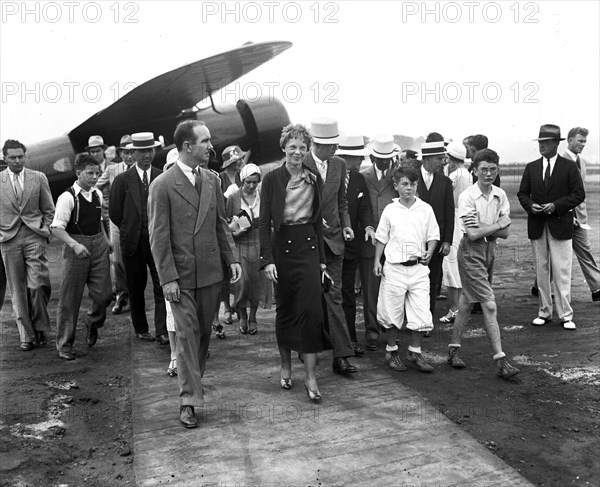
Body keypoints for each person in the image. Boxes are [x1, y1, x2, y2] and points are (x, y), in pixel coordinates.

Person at [148, 120, 240, 429]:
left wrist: (232, 259)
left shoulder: (212, 181)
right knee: (186, 337)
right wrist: (168, 278)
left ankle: (192, 390)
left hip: (211, 274)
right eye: (204, 141)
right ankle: (188, 400)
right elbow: (158, 237)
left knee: (201, 337)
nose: (210, 147)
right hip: (181, 279)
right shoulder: (162, 185)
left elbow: (220, 224)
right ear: (187, 147)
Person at [259, 123, 332, 402]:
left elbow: (317, 222)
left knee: (312, 313)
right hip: (283, 251)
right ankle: (286, 364)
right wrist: (267, 260)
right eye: (293, 147)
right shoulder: (271, 179)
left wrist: (322, 263)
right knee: (287, 311)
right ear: (284, 148)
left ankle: (311, 378)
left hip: (309, 249)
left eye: (303, 147)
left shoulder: (314, 178)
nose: (298, 152)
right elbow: (264, 222)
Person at [448, 149, 520, 379]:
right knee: (489, 305)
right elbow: (471, 233)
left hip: (490, 250)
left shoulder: (500, 194)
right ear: (474, 170)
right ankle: (501, 361)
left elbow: (507, 233)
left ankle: (453, 349)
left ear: (497, 169)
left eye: (492, 169)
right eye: (483, 169)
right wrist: (498, 224)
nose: (488, 173)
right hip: (470, 252)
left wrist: (491, 228)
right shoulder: (467, 196)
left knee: (467, 301)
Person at [304, 117, 357, 375]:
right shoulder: (298, 164)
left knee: (334, 297)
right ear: (316, 144)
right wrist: (313, 221)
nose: (335, 149)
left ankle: (342, 355)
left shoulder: (339, 165)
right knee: (309, 298)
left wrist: (346, 224)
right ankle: (307, 348)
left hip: (335, 241)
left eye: (336, 145)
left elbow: (342, 201)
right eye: (330, 145)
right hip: (309, 243)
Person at [517, 124, 585, 330]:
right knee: (542, 269)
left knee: (562, 270)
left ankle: (566, 315)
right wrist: (531, 207)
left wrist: (556, 206)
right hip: (537, 225)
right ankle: (544, 312)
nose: (542, 146)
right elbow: (522, 194)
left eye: (546, 143)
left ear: (557, 143)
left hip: (560, 225)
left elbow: (578, 195)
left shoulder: (569, 167)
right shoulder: (531, 167)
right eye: (540, 143)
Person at [374, 166, 438, 373]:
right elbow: (381, 237)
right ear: (396, 186)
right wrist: (377, 261)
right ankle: (391, 352)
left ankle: (414, 352)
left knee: (420, 312)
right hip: (394, 268)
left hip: (418, 268)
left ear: (416, 185)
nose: (408, 188)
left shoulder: (425, 209)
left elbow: (433, 235)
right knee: (392, 313)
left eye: (412, 184)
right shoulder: (390, 210)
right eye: (404, 184)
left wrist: (430, 250)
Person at [51, 154, 113, 360]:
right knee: (70, 299)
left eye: (97, 173)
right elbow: (57, 229)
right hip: (75, 247)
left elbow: (100, 221)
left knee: (104, 295)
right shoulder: (67, 197)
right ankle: (64, 345)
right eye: (90, 173)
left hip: (98, 246)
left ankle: (92, 322)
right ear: (78, 173)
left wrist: (107, 240)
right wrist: (75, 245)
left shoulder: (97, 194)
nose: (95, 177)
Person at [109, 132, 168, 344]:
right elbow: (115, 212)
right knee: (136, 287)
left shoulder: (162, 177)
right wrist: (129, 229)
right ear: (133, 153)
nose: (146, 155)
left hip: (158, 242)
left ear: (154, 151)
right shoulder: (122, 180)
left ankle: (162, 330)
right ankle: (141, 328)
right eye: (141, 151)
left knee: (162, 285)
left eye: (149, 150)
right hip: (132, 242)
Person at [0, 139, 54, 351]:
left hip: (34, 236)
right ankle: (27, 335)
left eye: (20, 156)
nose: (17, 161)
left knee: (38, 284)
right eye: (12, 157)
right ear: (4, 158)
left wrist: (46, 230)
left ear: (25, 156)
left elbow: (49, 209)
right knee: (17, 291)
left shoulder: (38, 177)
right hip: (8, 240)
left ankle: (40, 326)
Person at [359, 135, 400, 351]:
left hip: (394, 241)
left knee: (393, 288)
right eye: (380, 158)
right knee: (370, 289)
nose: (384, 162)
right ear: (372, 156)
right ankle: (372, 331)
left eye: (388, 159)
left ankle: (391, 328)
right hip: (370, 241)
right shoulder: (363, 177)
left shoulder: (398, 178)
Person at [336, 136, 375, 355]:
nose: (360, 161)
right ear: (343, 157)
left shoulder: (359, 180)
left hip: (351, 247)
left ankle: (350, 338)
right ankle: (328, 337)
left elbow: (365, 208)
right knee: (329, 293)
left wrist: (368, 226)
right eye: (356, 157)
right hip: (329, 247)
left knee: (348, 293)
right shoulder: (329, 177)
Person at [225, 163, 271, 335]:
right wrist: (236, 227)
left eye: (255, 182)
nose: (251, 186)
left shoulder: (263, 197)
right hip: (240, 245)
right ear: (242, 181)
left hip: (258, 243)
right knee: (241, 283)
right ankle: (242, 315)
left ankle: (252, 317)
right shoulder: (233, 198)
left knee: (256, 283)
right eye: (248, 182)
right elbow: (226, 224)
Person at [416, 141, 454, 323]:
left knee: (432, 281)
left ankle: (426, 320)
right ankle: (412, 318)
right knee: (413, 281)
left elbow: (449, 212)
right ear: (427, 158)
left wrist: (447, 241)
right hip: (413, 240)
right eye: (439, 158)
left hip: (437, 242)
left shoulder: (445, 182)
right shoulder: (411, 178)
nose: (443, 162)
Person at [95, 134, 134, 314]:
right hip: (116, 221)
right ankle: (121, 294)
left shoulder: (142, 169)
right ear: (120, 153)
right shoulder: (112, 170)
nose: (129, 156)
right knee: (117, 259)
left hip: (139, 221)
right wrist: (103, 204)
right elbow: (94, 187)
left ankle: (136, 295)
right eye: (125, 152)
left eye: (132, 152)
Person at [561, 127, 600, 302]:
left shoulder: (582, 162)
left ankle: (597, 287)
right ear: (569, 140)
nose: (583, 144)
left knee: (585, 251)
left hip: (580, 219)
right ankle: (538, 286)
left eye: (585, 141)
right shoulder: (559, 161)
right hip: (563, 216)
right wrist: (569, 213)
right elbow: (559, 192)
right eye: (579, 141)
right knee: (556, 254)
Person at [213, 145, 247, 333]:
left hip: (243, 227)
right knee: (225, 270)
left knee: (242, 267)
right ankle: (226, 306)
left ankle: (239, 304)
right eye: (237, 160)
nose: (241, 162)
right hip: (226, 227)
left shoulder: (245, 176)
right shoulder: (219, 179)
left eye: (241, 159)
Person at [440, 141, 471, 323]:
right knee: (458, 266)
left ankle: (454, 309)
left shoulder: (454, 176)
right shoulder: (466, 173)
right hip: (463, 220)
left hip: (454, 219)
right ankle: (459, 308)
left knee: (451, 266)